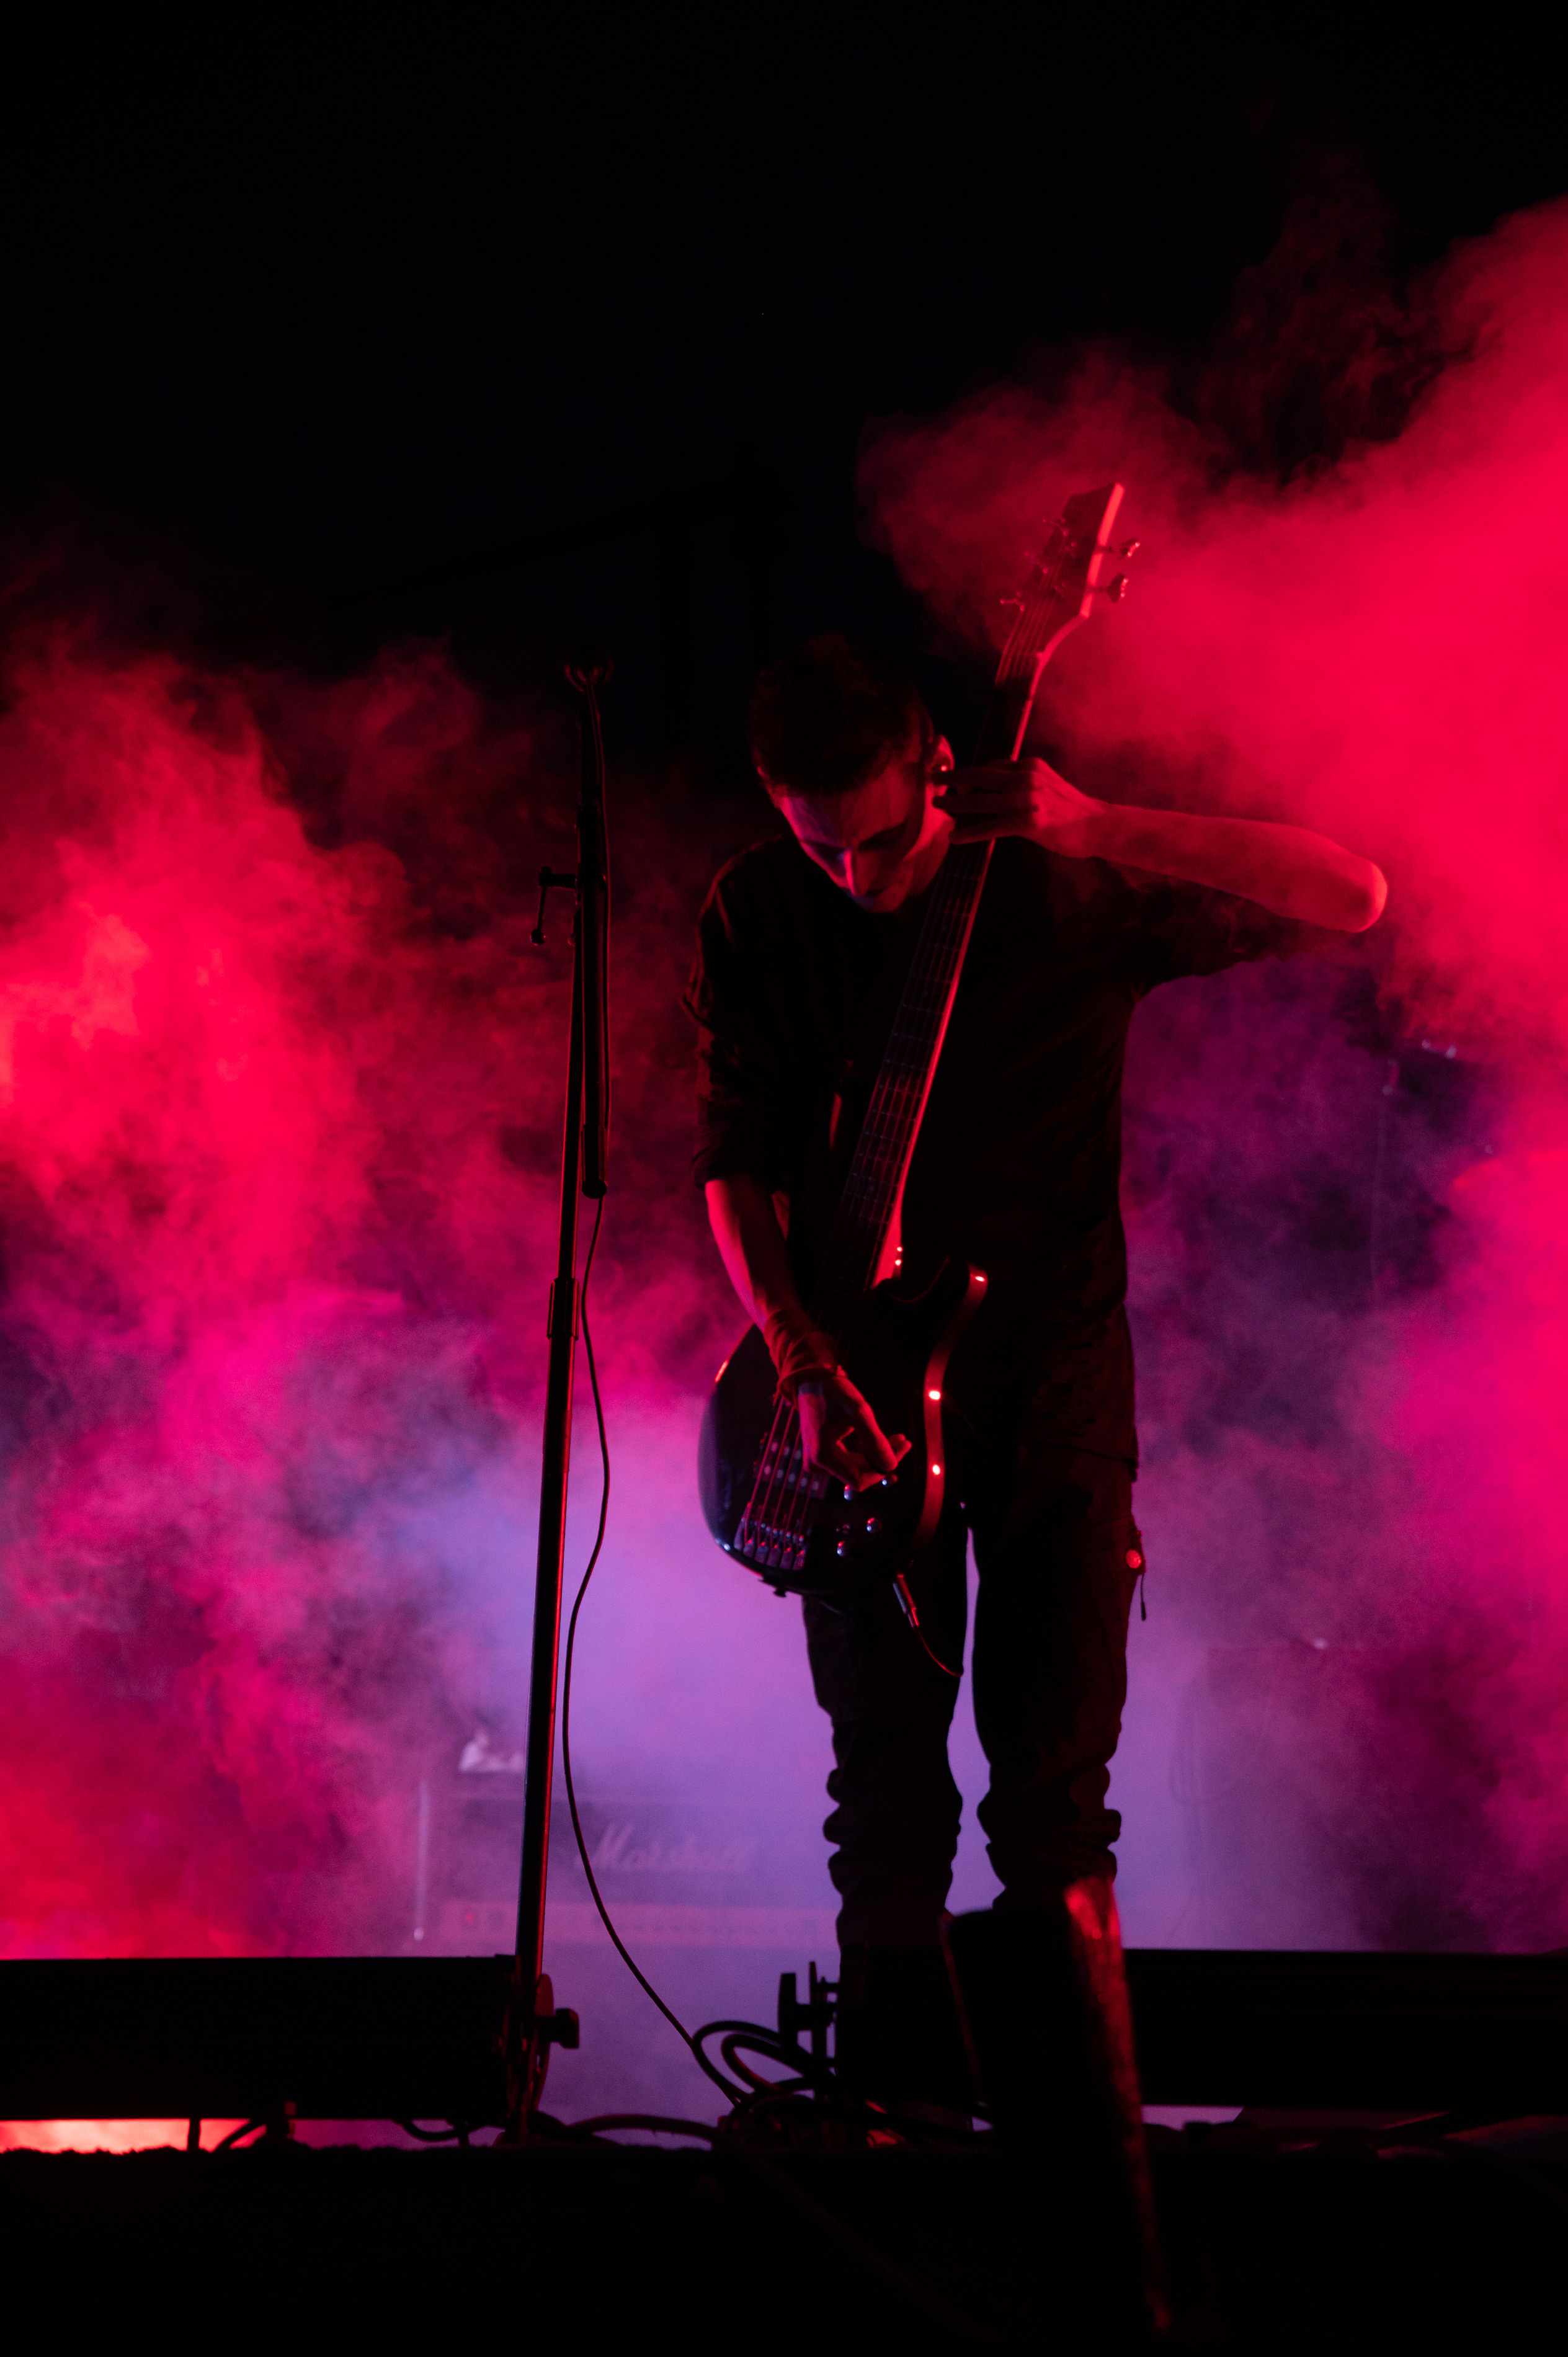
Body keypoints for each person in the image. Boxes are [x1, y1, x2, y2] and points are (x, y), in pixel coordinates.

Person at [685, 636, 1386, 2109]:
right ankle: (890, 2127)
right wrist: (799, 1349)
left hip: (1052, 1377)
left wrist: (1099, 821)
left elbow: (1350, 895)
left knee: (1053, 1797)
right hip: (848, 1394)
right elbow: (735, 1158)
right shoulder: (758, 909)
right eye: (822, 848)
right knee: (881, 1787)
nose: (859, 878)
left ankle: (1071, 2146)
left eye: (881, 841)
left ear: (941, 770)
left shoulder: (1061, 885)